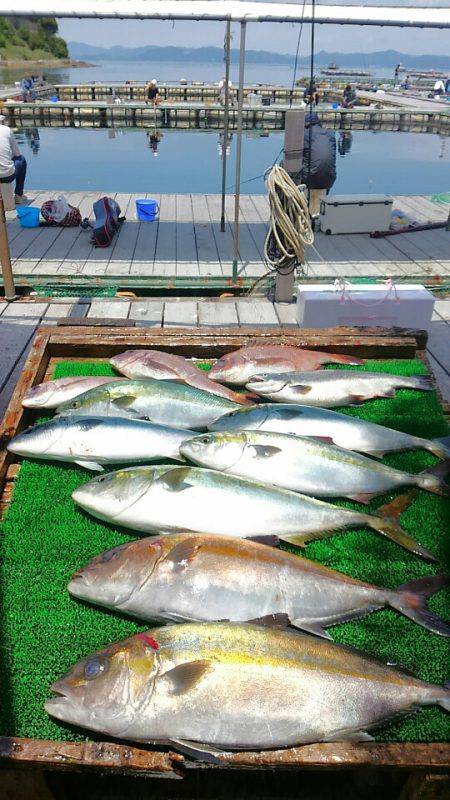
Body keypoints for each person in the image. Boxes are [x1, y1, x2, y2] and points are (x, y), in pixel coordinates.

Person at [299, 112, 336, 220]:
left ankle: (302, 212)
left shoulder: (305, 134)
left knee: (293, 171)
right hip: (329, 179)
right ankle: (319, 213)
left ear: (306, 124)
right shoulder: (330, 133)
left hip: (310, 179)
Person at [0, 114, 28, 205]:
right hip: (6, 176)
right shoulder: (7, 130)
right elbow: (17, 154)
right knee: (21, 160)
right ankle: (18, 195)